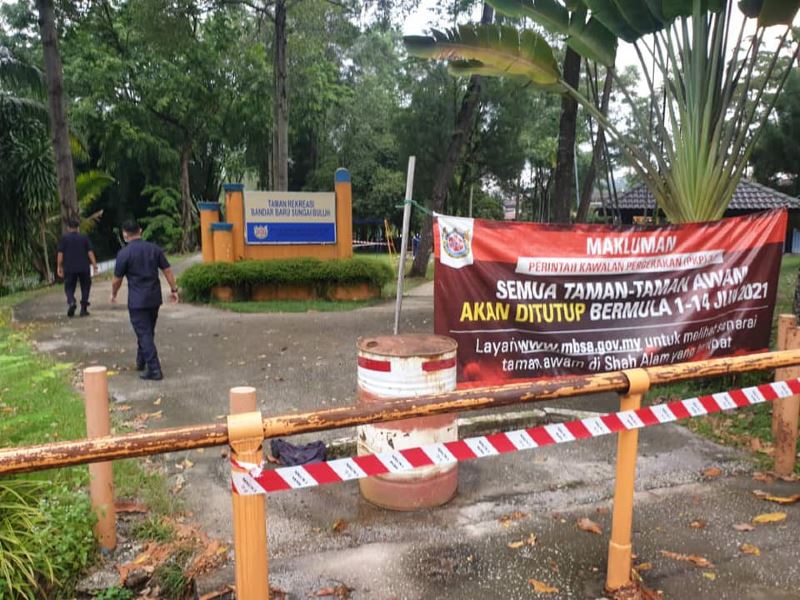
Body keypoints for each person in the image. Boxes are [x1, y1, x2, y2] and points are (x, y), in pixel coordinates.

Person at [110, 220, 179, 381]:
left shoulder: (124, 254)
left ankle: (155, 369)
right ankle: (141, 361)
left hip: (137, 301)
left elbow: (117, 280)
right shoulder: (154, 249)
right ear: (140, 231)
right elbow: (167, 270)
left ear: (125, 234)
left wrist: (114, 293)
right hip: (154, 298)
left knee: (144, 334)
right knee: (147, 331)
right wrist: (174, 289)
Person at [56, 217, 99, 317]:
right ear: (78, 228)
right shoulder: (84, 238)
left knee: (69, 287)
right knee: (85, 286)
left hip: (69, 268)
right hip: (84, 267)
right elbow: (90, 252)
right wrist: (95, 265)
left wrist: (59, 266)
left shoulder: (64, 239)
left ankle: (71, 302)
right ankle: (83, 309)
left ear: (68, 228)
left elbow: (60, 254)